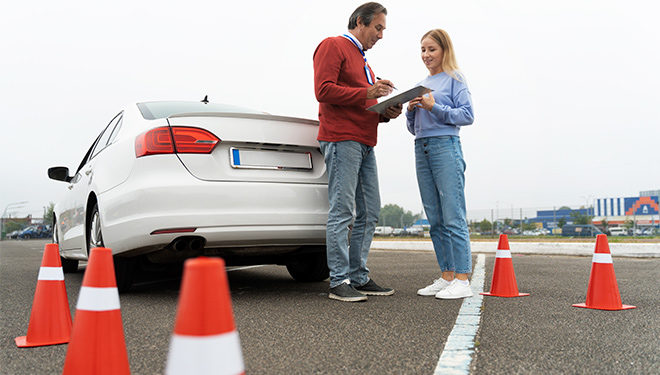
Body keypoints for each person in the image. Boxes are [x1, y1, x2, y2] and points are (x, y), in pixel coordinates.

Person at [313, 2, 402, 302]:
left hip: (365, 141)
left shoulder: (364, 62)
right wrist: (369, 91)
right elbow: (323, 90)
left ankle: (358, 276)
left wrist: (386, 111)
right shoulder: (333, 45)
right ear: (360, 22)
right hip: (341, 139)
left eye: (383, 30)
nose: (380, 35)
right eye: (378, 28)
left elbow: (362, 103)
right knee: (342, 211)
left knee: (370, 211)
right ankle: (339, 280)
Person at [405, 29, 475, 299]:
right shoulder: (421, 83)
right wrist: (410, 112)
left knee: (452, 215)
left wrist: (434, 107)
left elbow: (467, 115)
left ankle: (462, 278)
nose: (426, 55)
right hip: (421, 148)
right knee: (434, 218)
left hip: (446, 147)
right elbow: (415, 130)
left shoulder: (456, 79)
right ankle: (447, 275)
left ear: (444, 50)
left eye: (431, 49)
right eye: (422, 50)